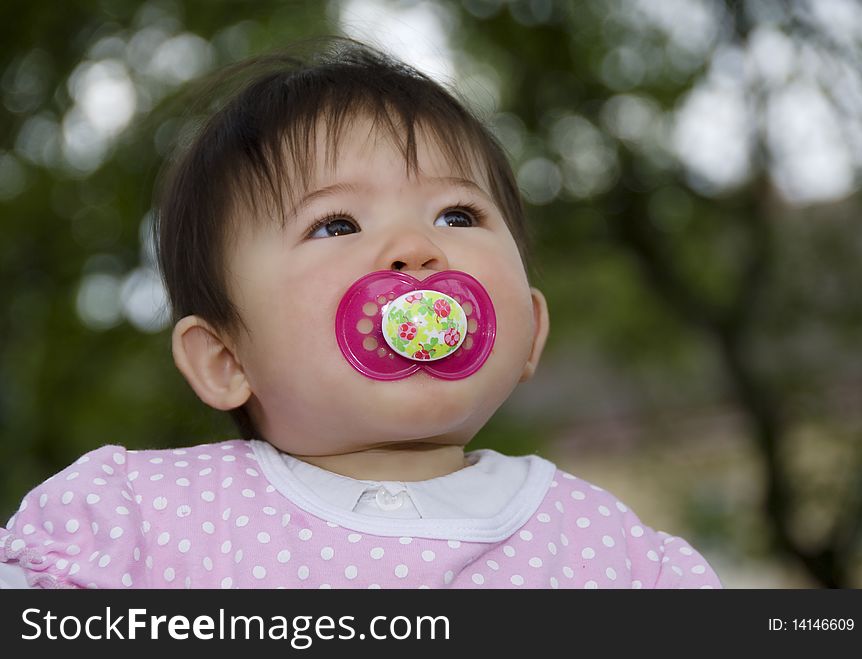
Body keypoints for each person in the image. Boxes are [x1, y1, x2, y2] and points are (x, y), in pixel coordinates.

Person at [0, 40, 721, 589]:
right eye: (337, 225)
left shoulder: (613, 554)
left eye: (457, 212)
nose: (414, 247)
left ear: (530, 328)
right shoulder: (136, 521)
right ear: (227, 360)